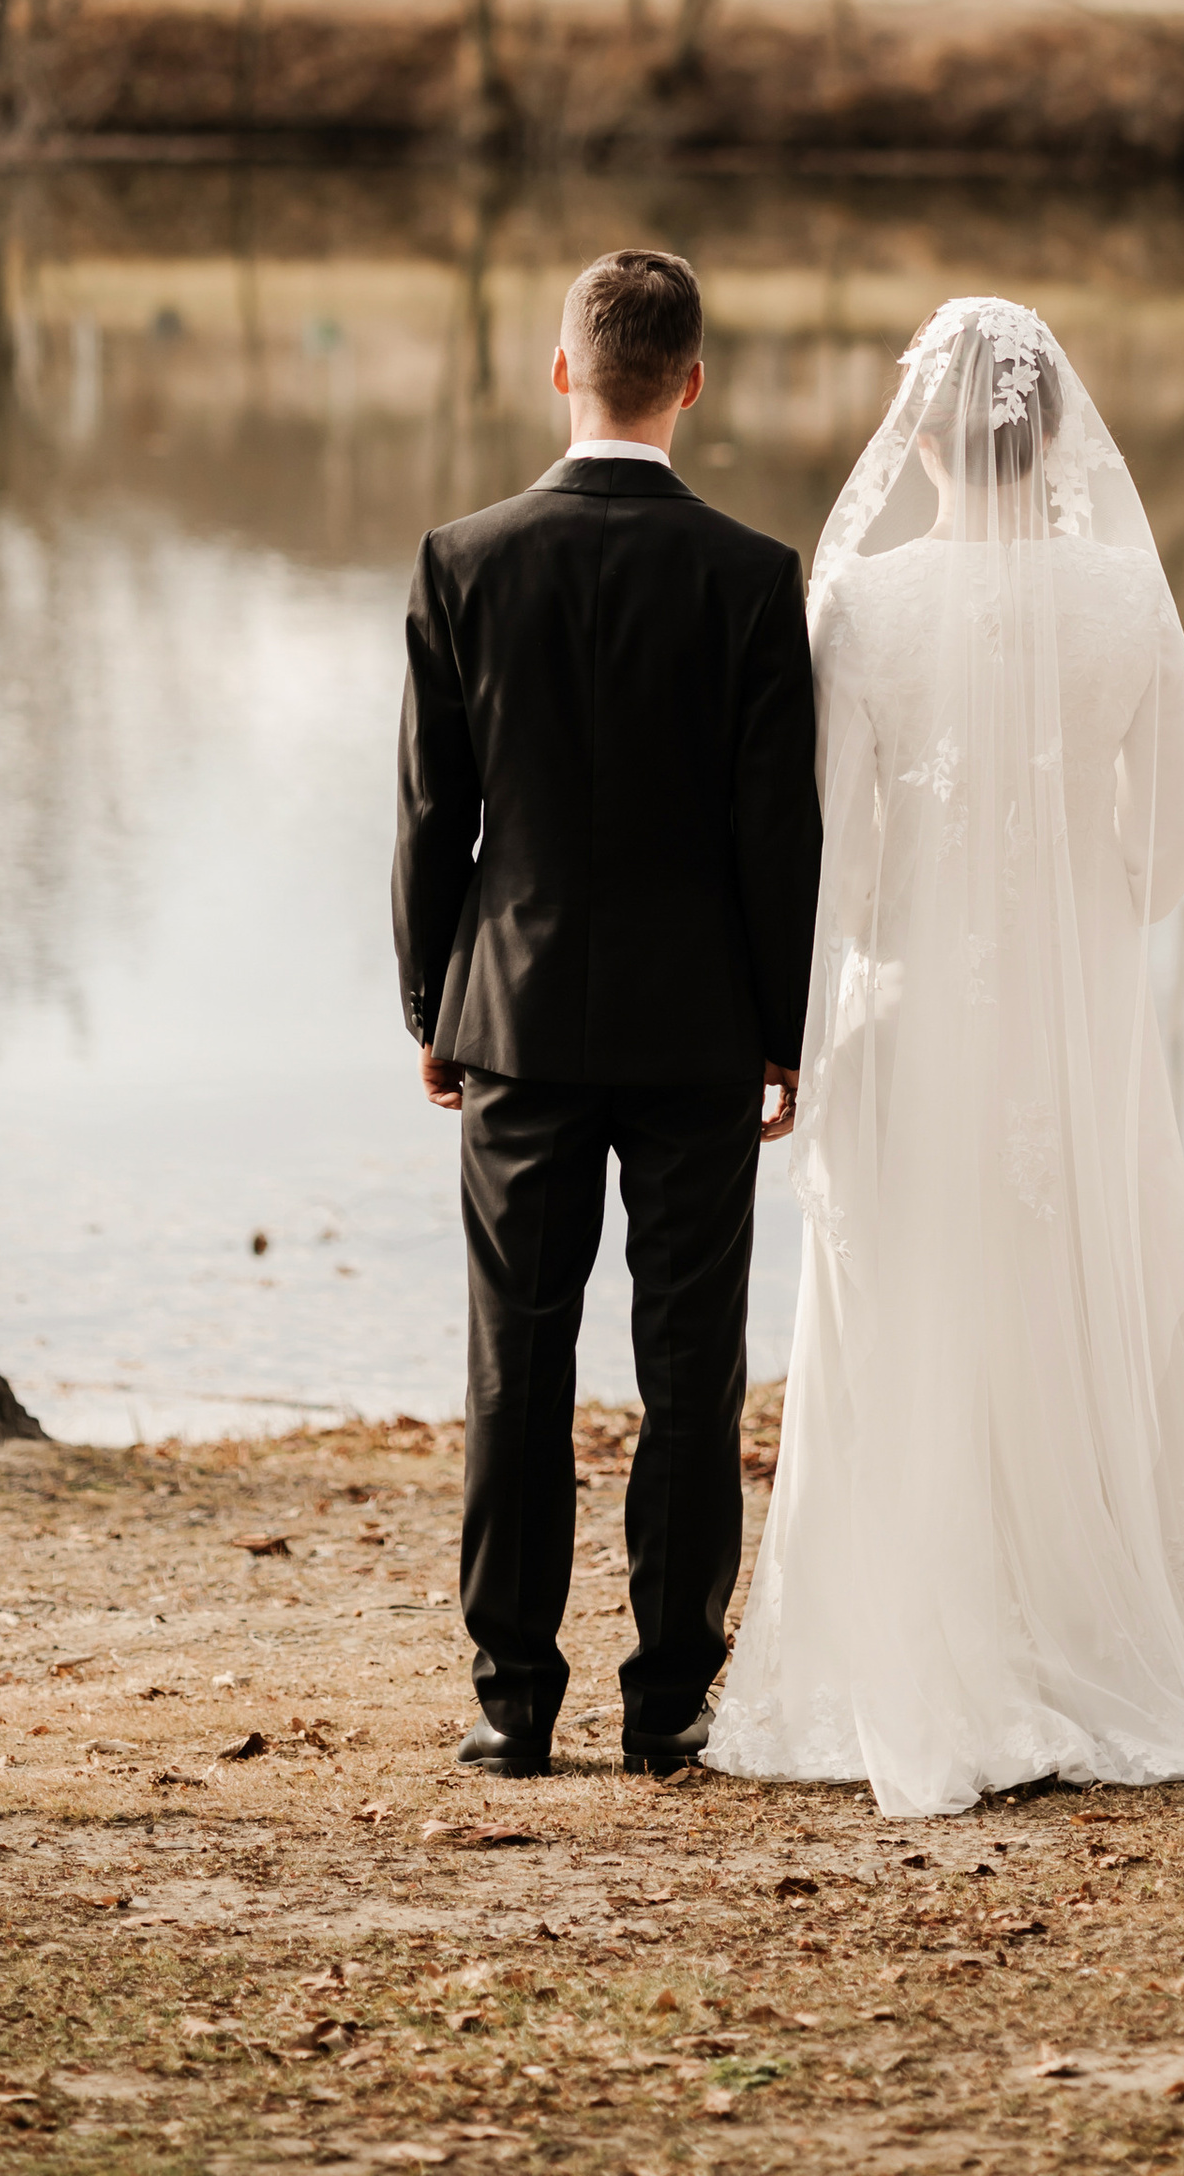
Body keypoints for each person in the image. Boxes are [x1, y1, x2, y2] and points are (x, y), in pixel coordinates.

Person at [705, 295, 1184, 1819]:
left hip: (910, 1015)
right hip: (1073, 1025)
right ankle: (1109, 1628)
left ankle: (910, 1643)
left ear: (920, 437)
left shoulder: (863, 607)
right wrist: (1063, 901)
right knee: (1073, 1296)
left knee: (916, 1304)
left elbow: (836, 862)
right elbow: (1167, 855)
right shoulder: (1126, 603)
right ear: (1052, 439)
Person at [393, 246, 821, 1780]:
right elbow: (778, 833)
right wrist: (788, 1025)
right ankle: (667, 1703)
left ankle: (513, 1703)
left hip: (513, 1017)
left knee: (515, 1358)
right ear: (691, 383)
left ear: (562, 368)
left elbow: (434, 815)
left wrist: (431, 1001)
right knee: (690, 1365)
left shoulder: (463, 560)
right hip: (699, 1027)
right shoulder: (753, 578)